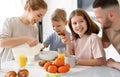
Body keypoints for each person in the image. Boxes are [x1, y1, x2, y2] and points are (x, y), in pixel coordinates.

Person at [93, 0, 120, 70]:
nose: (96, 20)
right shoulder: (107, 27)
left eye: (99, 17)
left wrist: (114, 64)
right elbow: (104, 44)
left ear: (111, 15)